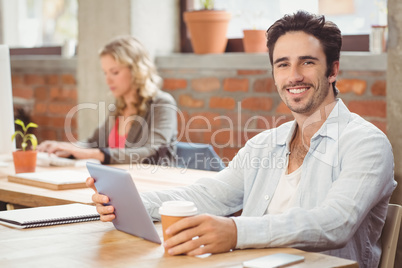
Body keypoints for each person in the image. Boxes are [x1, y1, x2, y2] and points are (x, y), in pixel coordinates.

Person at [87, 11, 396, 267]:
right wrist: (130, 202)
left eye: (308, 62)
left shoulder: (366, 143)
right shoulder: (265, 144)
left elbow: (334, 223)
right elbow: (209, 195)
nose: (294, 75)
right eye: (283, 64)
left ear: (333, 70)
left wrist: (234, 232)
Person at [38, 36, 177, 165]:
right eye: (105, 73)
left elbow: (153, 152)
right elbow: (93, 143)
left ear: (136, 70)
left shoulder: (162, 104)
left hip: (153, 184)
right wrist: (65, 148)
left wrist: (97, 154)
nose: (108, 80)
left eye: (115, 72)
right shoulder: (120, 107)